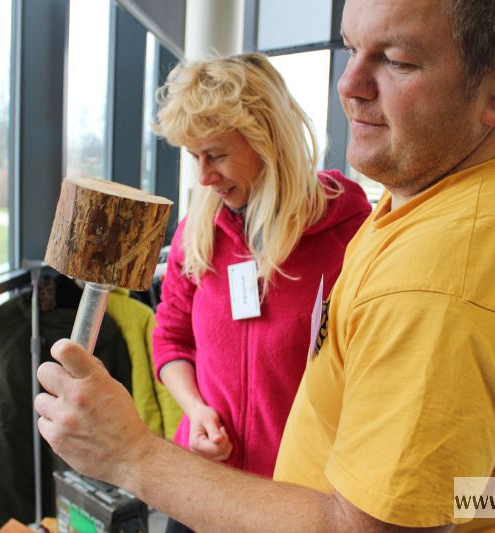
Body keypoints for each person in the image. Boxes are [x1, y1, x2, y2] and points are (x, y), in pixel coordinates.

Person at [34, 0, 495, 531]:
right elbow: (482, 488)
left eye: (397, 60)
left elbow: (367, 525)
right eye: (349, 49)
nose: (349, 85)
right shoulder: (422, 210)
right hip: (232, 490)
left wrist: (132, 454)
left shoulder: (444, 281)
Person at [150, 53, 371, 531]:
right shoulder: (197, 233)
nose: (203, 177)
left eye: (217, 155)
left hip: (296, 499)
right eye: (194, 157)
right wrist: (196, 409)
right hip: (203, 483)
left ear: (268, 141)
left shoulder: (351, 236)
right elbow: (170, 340)